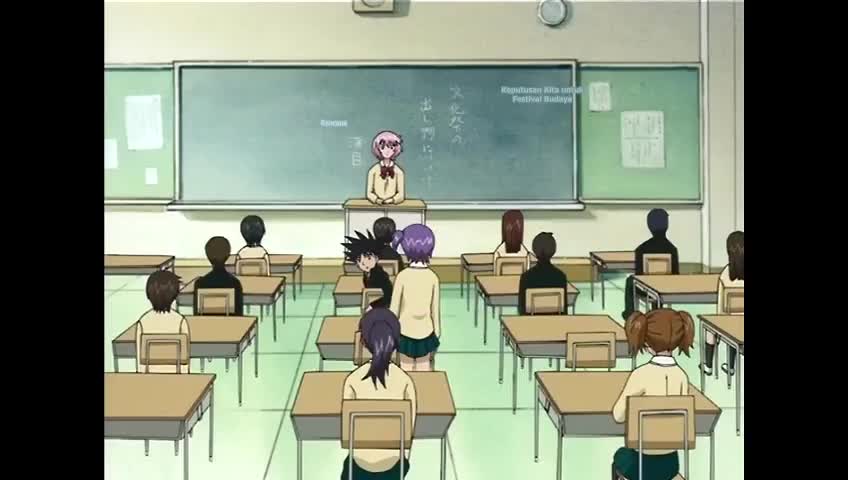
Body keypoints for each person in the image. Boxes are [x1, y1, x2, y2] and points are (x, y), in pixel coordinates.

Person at [612, 309, 695, 480]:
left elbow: (618, 416)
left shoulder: (640, 374)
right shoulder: (682, 376)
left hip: (640, 465)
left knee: (620, 456)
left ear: (646, 342)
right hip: (671, 465)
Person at [342, 308, 417, 480]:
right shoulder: (405, 382)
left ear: (363, 341)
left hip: (359, 467)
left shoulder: (352, 381)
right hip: (393, 468)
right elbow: (409, 434)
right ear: (396, 341)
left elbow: (349, 434)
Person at [389, 224, 440, 371]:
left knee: (406, 370)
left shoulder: (402, 276)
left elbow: (394, 310)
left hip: (404, 331)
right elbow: (435, 310)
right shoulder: (433, 277)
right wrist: (437, 333)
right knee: (424, 370)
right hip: (427, 331)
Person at [622, 209, 680, 320]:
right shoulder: (672, 249)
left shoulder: (642, 249)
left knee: (630, 280)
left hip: (647, 291)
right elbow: (676, 275)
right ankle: (658, 312)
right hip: (666, 289)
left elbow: (639, 276)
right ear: (667, 226)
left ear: (649, 226)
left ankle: (630, 315)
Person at [700, 231, 744, 376]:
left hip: (731, 327)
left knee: (711, 328)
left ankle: (709, 366)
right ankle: (729, 365)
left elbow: (721, 310)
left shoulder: (726, 274)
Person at [135, 270, 190, 374]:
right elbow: (185, 365)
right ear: (174, 294)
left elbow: (140, 364)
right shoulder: (180, 321)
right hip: (176, 377)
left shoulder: (143, 322)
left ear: (149, 294)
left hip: (149, 378)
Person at [518, 232, 568, 315]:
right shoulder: (560, 276)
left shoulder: (526, 277)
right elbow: (564, 311)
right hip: (556, 322)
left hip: (530, 322)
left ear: (534, 250)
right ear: (553, 250)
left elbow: (521, 310)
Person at [342, 230, 393, 310]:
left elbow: (389, 295)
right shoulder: (367, 273)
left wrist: (372, 306)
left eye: (368, 258)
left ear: (376, 258)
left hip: (382, 307)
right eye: (359, 260)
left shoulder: (380, 275)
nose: (364, 263)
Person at [194, 236, 244, 315]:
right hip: (231, 323)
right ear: (228, 255)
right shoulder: (235, 283)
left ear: (208, 256)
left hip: (206, 323)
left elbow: (196, 316)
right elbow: (239, 315)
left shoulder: (200, 283)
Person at [366, 130, 406, 206]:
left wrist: (391, 200)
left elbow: (401, 195)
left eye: (391, 148)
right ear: (378, 149)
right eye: (383, 147)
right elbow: (369, 193)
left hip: (393, 207)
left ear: (395, 150)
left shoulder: (399, 172)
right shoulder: (373, 171)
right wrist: (376, 200)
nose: (387, 151)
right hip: (376, 207)